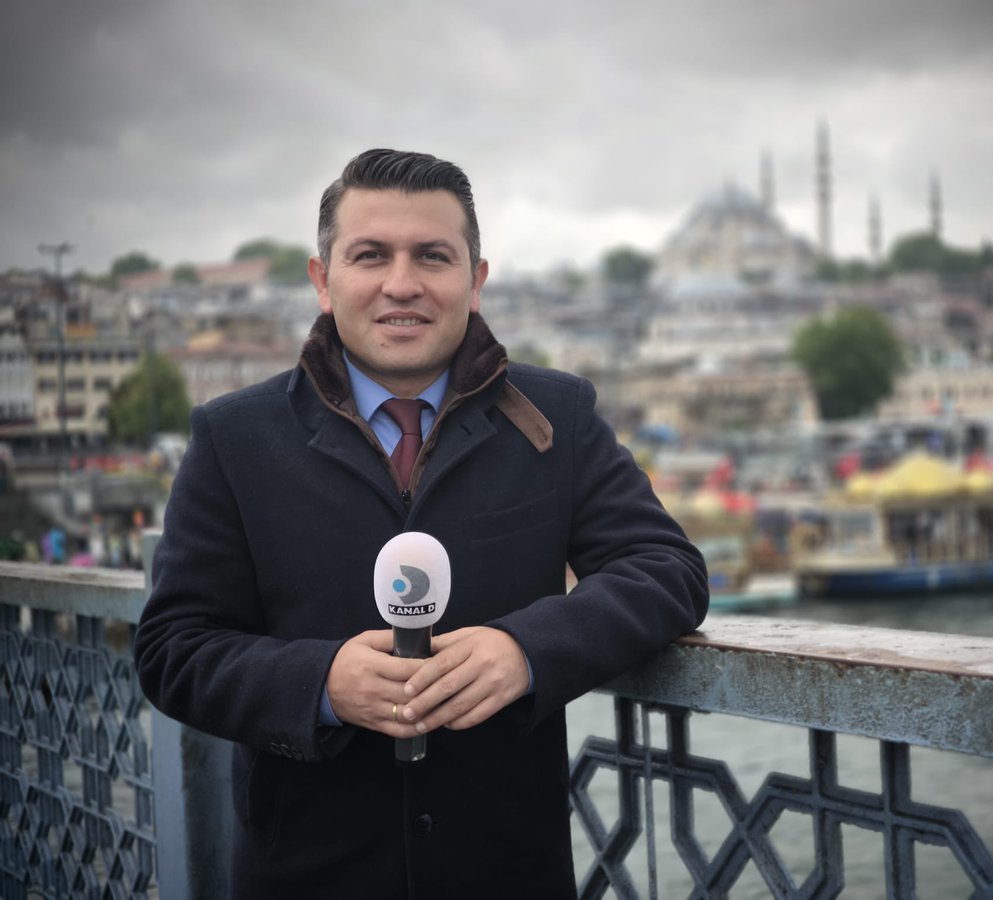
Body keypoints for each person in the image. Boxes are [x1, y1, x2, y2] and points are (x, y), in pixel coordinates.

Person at [134, 148, 709, 898]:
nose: (400, 284)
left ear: (475, 281)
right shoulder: (233, 438)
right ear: (322, 279)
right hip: (306, 876)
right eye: (370, 255)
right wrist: (322, 684)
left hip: (506, 874)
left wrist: (525, 649)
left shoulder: (556, 415)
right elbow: (174, 648)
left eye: (432, 256)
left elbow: (666, 569)